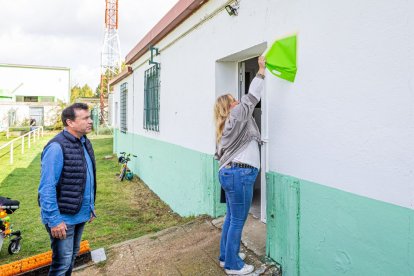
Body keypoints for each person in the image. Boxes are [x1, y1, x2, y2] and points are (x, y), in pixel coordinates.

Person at [214, 56, 266, 275]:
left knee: (231, 218)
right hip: (239, 173)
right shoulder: (236, 115)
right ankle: (234, 266)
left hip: (232, 173)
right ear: (229, 107)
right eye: (233, 100)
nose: (237, 102)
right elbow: (250, 99)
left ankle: (226, 257)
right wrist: (261, 70)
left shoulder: (230, 124)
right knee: (237, 219)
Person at [38, 103, 96, 276]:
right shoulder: (56, 147)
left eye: (90, 117)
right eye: (85, 118)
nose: (90, 121)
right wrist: (54, 220)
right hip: (62, 219)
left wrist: (90, 207)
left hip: (79, 214)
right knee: (61, 265)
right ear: (70, 122)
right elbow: (46, 188)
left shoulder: (84, 142)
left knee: (70, 260)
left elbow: (86, 178)